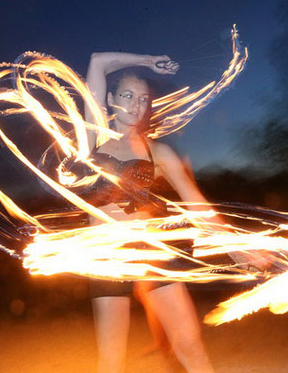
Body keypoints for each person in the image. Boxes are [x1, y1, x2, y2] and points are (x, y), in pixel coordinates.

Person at [85, 52, 216, 373]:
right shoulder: (92, 138)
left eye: (143, 99)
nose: (135, 105)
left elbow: (196, 202)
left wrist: (243, 246)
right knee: (112, 362)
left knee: (189, 344)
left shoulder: (157, 150)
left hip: (151, 251)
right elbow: (98, 61)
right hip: (107, 256)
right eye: (127, 96)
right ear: (110, 99)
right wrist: (148, 62)